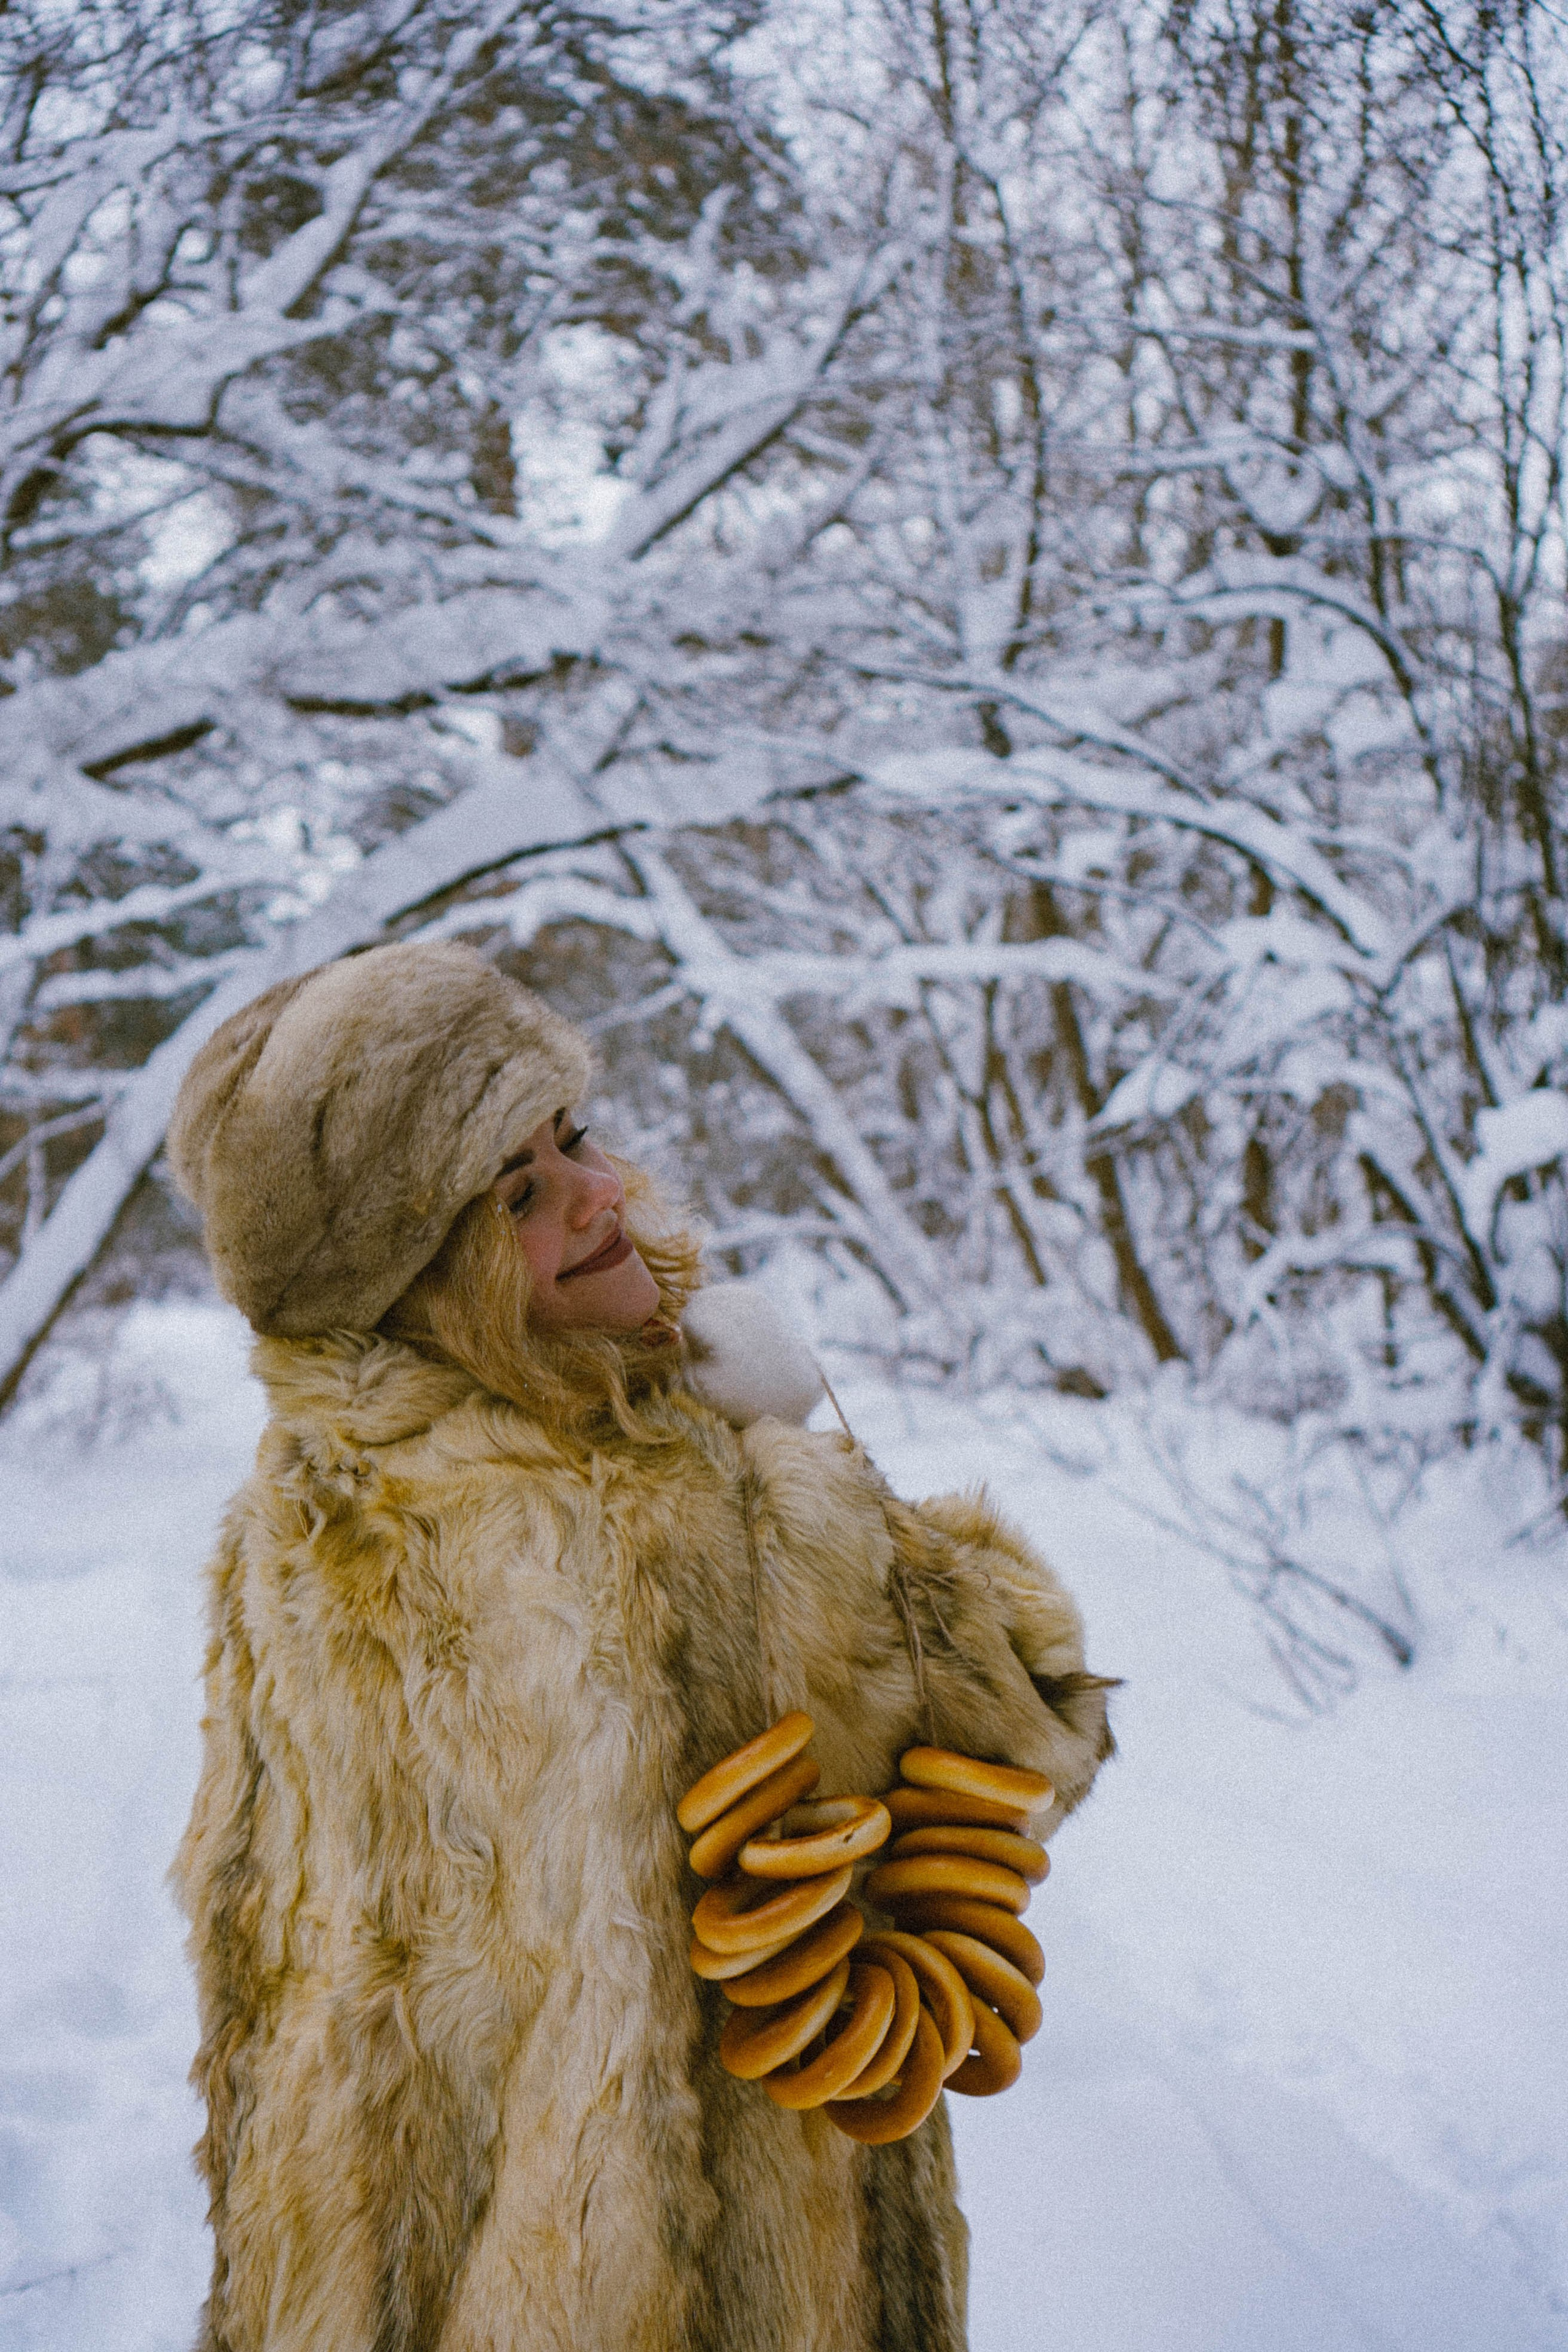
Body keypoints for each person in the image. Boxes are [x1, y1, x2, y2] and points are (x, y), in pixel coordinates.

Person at [168, 939, 1114, 2352]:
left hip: (387, 2289)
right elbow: (1034, 1720)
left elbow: (250, 1962)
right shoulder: (702, 1509)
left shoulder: (297, 1515)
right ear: (421, 1274)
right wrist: (794, 1455)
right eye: (521, 1194)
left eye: (574, 1137)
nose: (600, 1194)